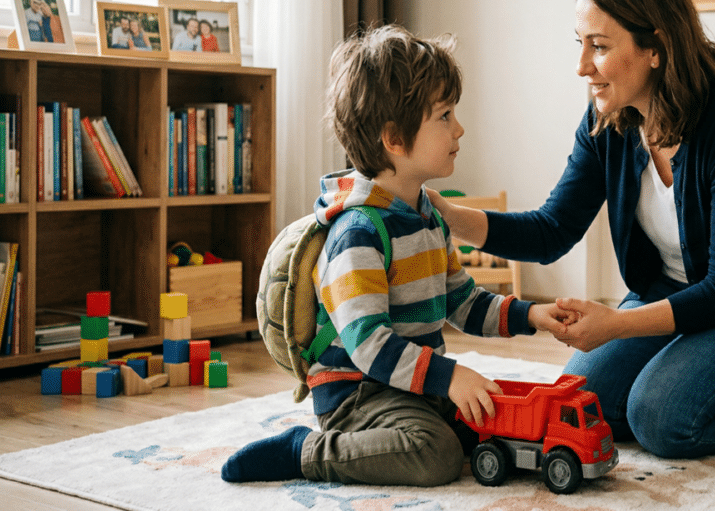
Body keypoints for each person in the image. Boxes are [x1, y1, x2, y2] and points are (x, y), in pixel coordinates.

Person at [429, 0, 715, 460]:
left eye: (598, 46)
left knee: (659, 418)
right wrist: (447, 214)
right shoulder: (609, 119)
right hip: (670, 294)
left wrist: (616, 324)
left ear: (655, 47)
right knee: (584, 403)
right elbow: (554, 229)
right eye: (580, 43)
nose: (581, 67)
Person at [221, 25, 570, 487]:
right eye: (444, 116)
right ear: (394, 138)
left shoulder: (427, 216)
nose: (459, 128)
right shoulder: (358, 233)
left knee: (494, 415)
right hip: (359, 393)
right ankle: (306, 451)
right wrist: (448, 378)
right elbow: (369, 347)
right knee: (437, 454)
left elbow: (463, 304)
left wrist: (536, 316)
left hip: (410, 383)